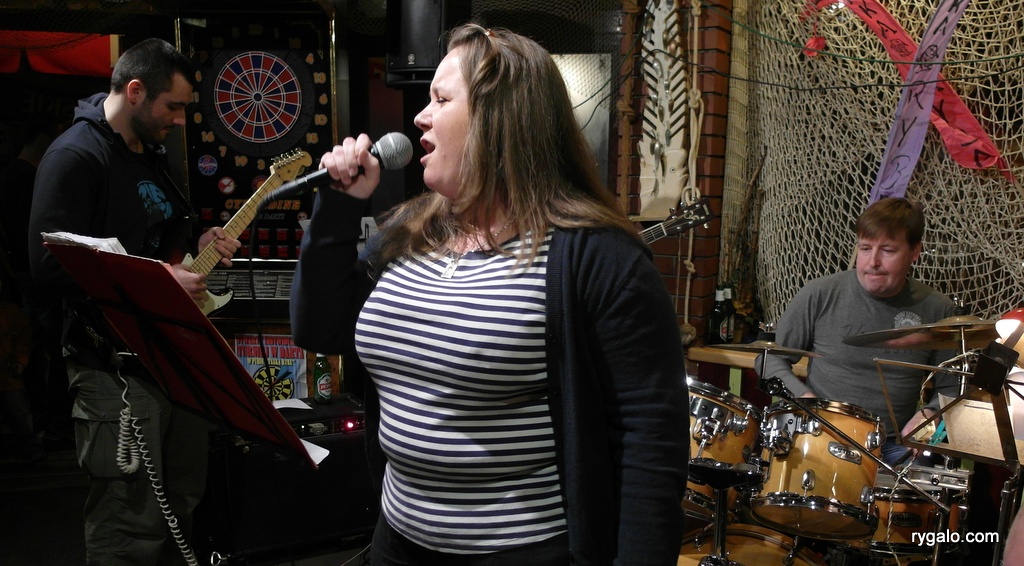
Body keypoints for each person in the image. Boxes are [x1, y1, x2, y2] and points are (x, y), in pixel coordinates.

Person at [290, 23, 690, 566]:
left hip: (524, 550)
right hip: (398, 541)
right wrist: (338, 207)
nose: (420, 117)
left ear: (499, 118)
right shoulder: (404, 235)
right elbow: (319, 328)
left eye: (440, 100)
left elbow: (650, 440)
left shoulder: (598, 257)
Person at [27, 38, 240, 565]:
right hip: (113, 369)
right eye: (174, 107)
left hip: (172, 361)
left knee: (181, 507)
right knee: (128, 523)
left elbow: (154, 246)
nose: (180, 121)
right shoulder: (76, 156)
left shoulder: (151, 153)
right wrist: (162, 281)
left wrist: (197, 247)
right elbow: (49, 266)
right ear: (136, 91)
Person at [758, 197, 960, 466]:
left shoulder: (938, 309)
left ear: (914, 252)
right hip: (818, 434)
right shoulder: (820, 294)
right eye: (865, 248)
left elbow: (952, 387)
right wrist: (803, 398)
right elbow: (769, 359)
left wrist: (928, 416)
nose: (872, 261)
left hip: (891, 447)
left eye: (887, 250)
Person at [0, 113, 70, 447]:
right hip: (35, 276)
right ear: (43, 138)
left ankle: (37, 422)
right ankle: (52, 422)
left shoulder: (11, 175)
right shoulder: (25, 177)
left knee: (37, 349)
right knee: (51, 347)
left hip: (23, 275)